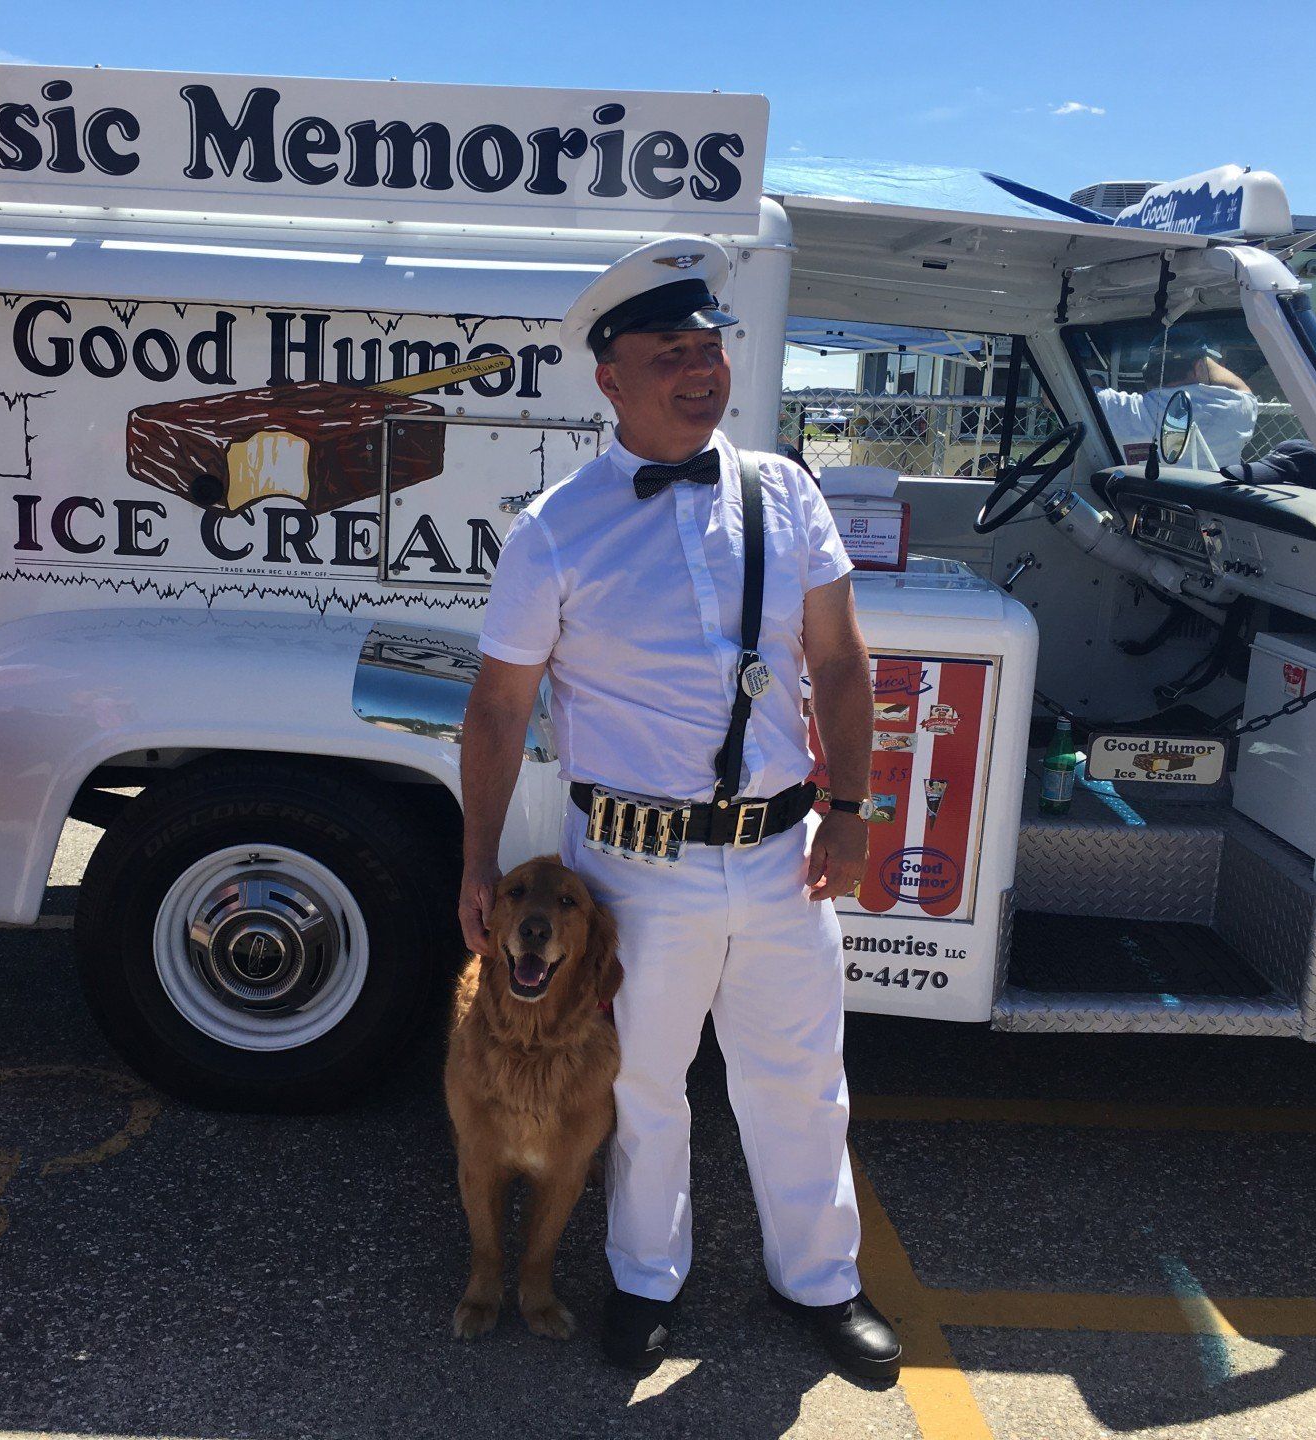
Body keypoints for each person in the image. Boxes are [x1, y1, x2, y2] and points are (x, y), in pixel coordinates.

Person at [456, 237, 901, 1382]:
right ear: (610, 376)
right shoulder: (553, 528)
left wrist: (850, 807)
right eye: (672, 355)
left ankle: (821, 1284)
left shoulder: (788, 491)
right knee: (645, 1087)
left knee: (801, 1080)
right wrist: (478, 859)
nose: (702, 372)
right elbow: (499, 710)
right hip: (631, 870)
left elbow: (841, 661)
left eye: (710, 350)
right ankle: (645, 1282)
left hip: (780, 856)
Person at [1098, 336, 1258, 468]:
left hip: (1136, 504)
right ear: (1199, 367)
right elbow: (1241, 389)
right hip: (1211, 505)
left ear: (1148, 371)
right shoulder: (1233, 408)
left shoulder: (1118, 409)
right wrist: (1201, 359)